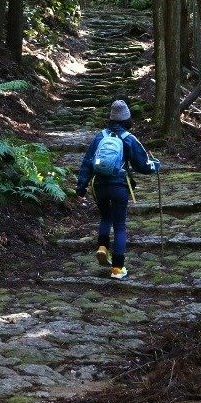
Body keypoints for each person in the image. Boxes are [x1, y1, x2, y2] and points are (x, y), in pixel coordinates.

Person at [75, 99, 161, 279]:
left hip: (99, 185)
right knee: (120, 226)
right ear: (127, 118)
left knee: (105, 217)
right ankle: (117, 269)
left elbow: (87, 163)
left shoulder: (100, 136)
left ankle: (102, 247)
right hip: (119, 186)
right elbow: (142, 165)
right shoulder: (129, 138)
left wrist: (81, 186)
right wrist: (156, 166)